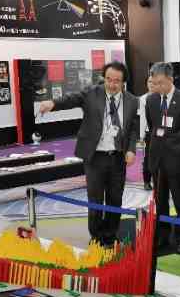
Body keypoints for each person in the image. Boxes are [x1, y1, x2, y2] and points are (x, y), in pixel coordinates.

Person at [38, 62, 139, 245]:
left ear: (123, 82)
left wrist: (131, 149)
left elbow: (133, 128)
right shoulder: (92, 93)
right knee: (95, 199)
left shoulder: (132, 101)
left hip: (118, 157)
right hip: (95, 157)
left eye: (117, 81)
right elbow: (71, 99)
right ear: (104, 78)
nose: (111, 84)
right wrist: (53, 103)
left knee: (115, 199)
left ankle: (110, 235)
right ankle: (96, 236)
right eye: (108, 79)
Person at [144, 62, 180, 254]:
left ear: (170, 79)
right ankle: (163, 235)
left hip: (178, 159)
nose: (157, 87)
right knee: (160, 202)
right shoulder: (151, 100)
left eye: (160, 83)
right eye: (154, 83)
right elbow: (153, 126)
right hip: (157, 160)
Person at [139, 75, 157, 191]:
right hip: (149, 133)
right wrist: (141, 136)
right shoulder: (143, 99)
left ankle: (159, 181)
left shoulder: (161, 96)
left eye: (153, 82)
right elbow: (142, 119)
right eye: (149, 82)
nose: (151, 84)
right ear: (146, 84)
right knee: (148, 158)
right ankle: (146, 181)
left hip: (161, 132)